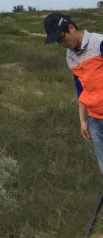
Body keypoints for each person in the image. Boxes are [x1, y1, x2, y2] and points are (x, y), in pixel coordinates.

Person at [44, 13, 103, 174]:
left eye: (62, 38)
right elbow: (81, 89)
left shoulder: (98, 44)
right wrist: (83, 120)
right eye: (58, 41)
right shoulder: (70, 56)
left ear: (71, 27)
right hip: (95, 120)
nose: (62, 43)